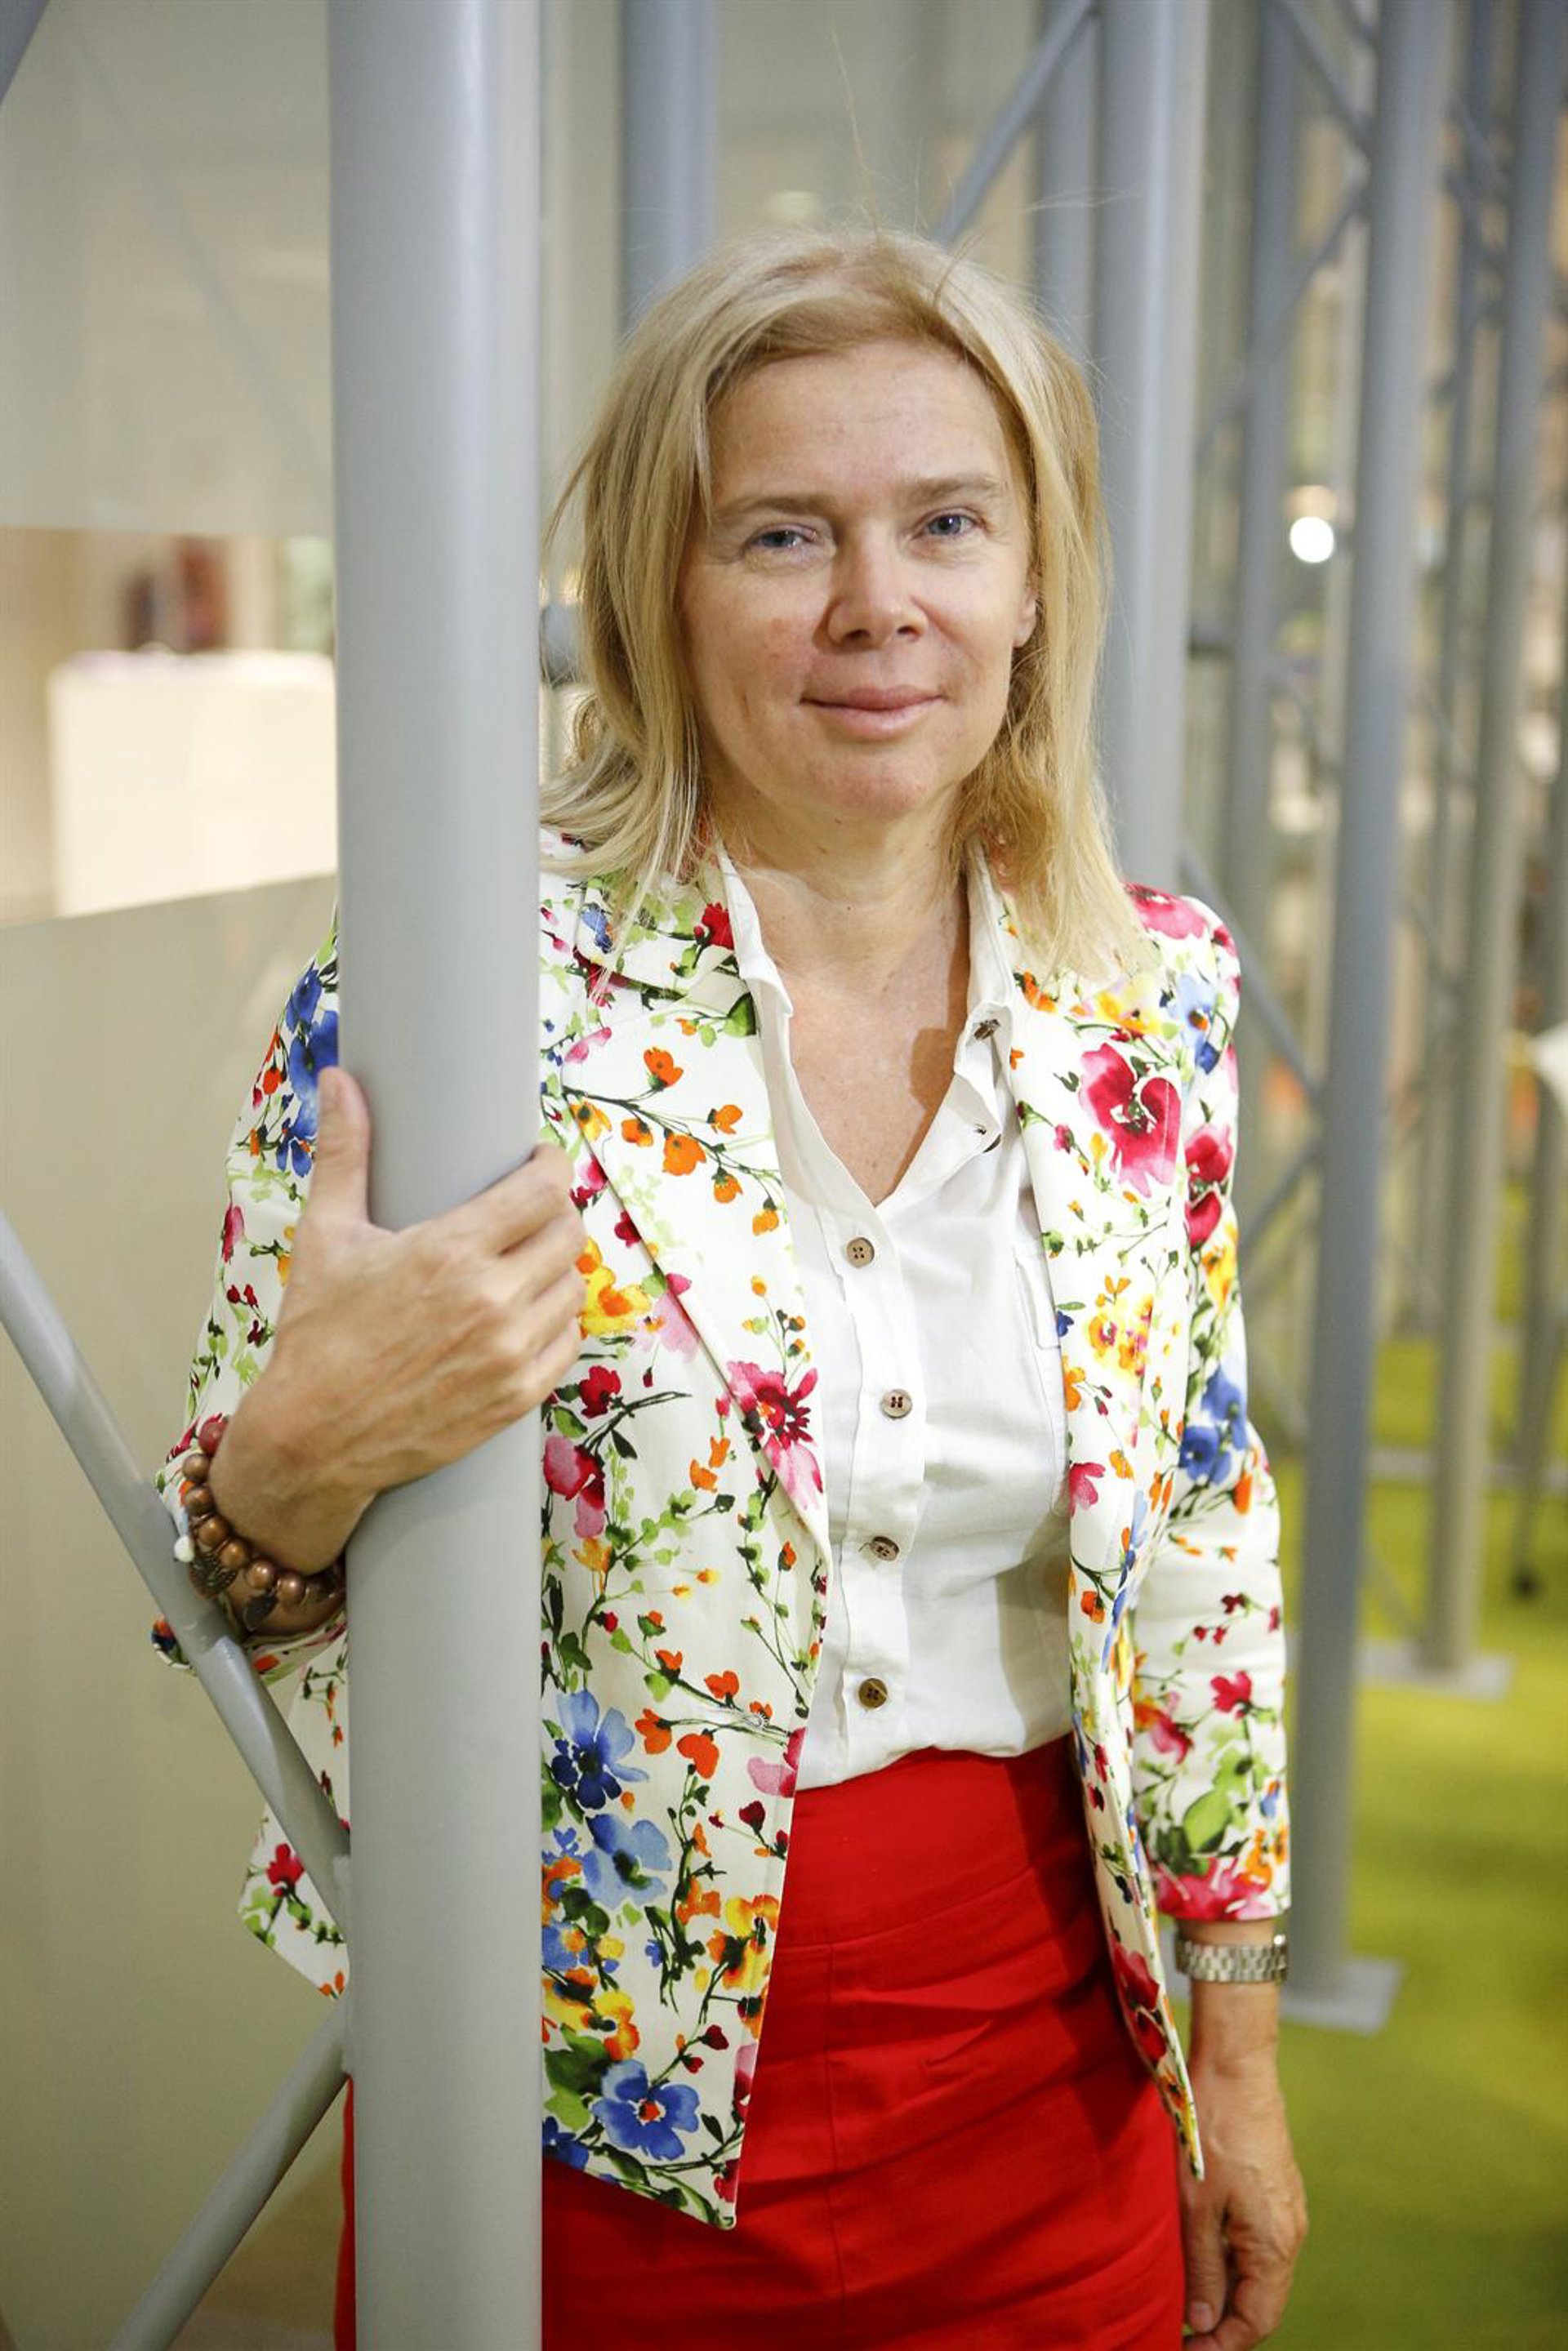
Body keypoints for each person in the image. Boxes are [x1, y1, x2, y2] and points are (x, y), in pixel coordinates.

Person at [154, 226, 1307, 2349]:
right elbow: (229, 1569)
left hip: (1054, 2078)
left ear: (1034, 582)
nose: (879, 604)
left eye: (947, 524)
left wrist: (1235, 2056)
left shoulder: (1146, 1002)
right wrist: (300, 1460)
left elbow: (1203, 1548)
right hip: (577, 2098)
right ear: (659, 596)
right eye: (785, 533)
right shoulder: (447, 1005)